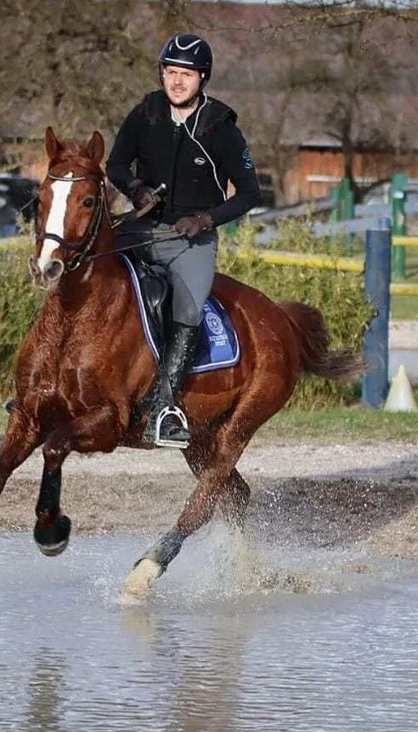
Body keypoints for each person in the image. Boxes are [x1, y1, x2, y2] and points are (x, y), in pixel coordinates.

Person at [107, 32, 261, 448]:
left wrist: (207, 218)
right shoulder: (146, 112)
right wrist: (135, 187)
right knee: (88, 271)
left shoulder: (222, 127)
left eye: (186, 75)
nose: (176, 82)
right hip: (141, 229)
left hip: (191, 242)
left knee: (189, 307)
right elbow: (115, 163)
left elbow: (250, 192)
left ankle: (164, 408)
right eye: (170, 72)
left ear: (202, 78)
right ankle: (52, 385)